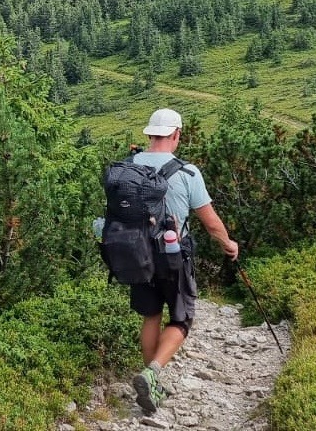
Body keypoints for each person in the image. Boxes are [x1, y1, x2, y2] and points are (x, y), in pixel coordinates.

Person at [130, 108, 239, 414]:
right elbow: (211, 223)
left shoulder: (128, 167)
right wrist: (229, 245)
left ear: (150, 134)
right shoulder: (188, 172)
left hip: (137, 256)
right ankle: (152, 373)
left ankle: (149, 380)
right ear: (176, 135)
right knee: (181, 319)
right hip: (173, 256)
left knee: (150, 315)